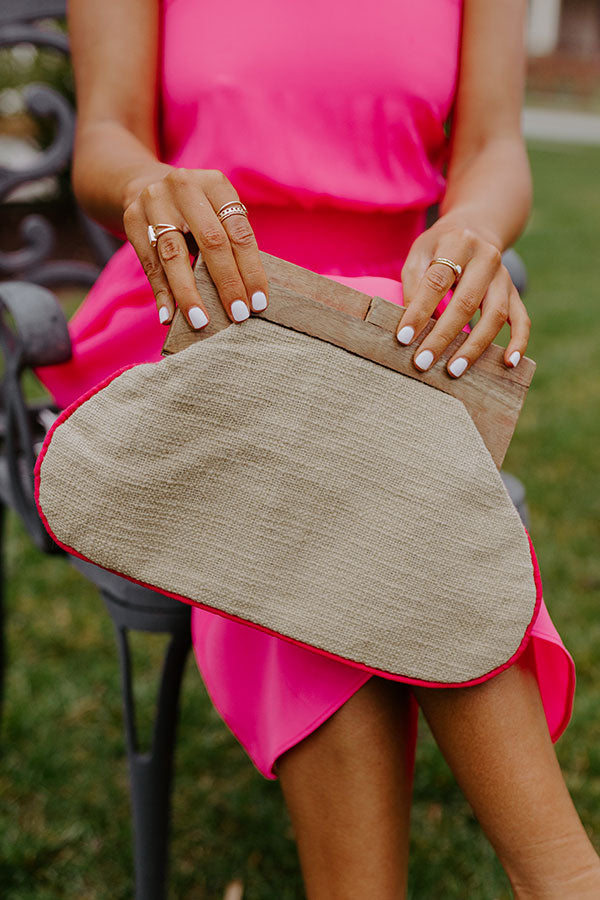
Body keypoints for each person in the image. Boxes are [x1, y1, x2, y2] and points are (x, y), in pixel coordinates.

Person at [35, 0, 600, 896]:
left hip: (390, 323)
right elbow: (104, 136)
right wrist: (149, 182)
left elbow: (493, 149)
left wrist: (471, 229)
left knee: (326, 446)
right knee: (317, 422)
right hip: (193, 303)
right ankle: (563, 876)